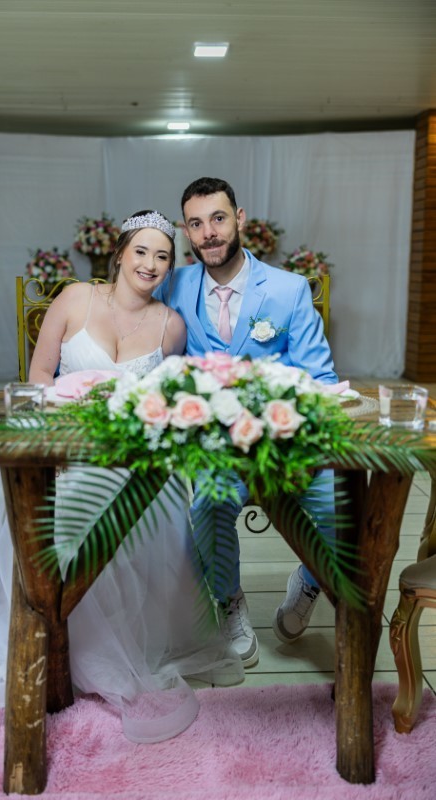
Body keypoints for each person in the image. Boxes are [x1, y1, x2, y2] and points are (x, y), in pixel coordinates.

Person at [0, 209, 243, 744]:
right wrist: (54, 442)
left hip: (123, 454)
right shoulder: (75, 299)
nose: (151, 264)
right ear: (120, 254)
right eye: (141, 252)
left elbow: (161, 402)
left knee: (131, 500)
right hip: (57, 440)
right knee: (17, 492)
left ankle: (97, 641)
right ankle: (36, 623)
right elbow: (39, 374)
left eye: (162, 256)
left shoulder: (171, 325)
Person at [156, 177, 338, 667]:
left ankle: (309, 581)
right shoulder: (172, 286)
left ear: (239, 218)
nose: (209, 233)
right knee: (208, 505)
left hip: (286, 442)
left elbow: (320, 379)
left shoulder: (288, 289)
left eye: (218, 218)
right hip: (216, 446)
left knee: (339, 507)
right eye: (196, 224)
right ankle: (229, 599)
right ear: (186, 233)